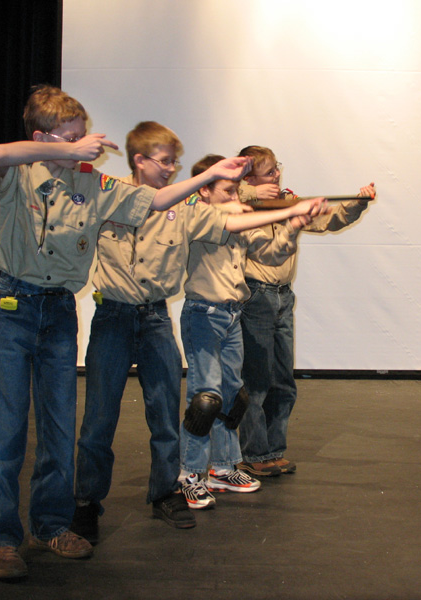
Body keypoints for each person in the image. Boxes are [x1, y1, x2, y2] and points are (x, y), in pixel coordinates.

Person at [0, 86, 251, 580]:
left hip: (59, 311)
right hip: (14, 307)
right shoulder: (20, 171)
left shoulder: (92, 182)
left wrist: (211, 175)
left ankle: (51, 525)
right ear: (42, 136)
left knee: (60, 430)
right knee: (8, 433)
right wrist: (64, 150)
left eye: (82, 136)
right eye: (70, 137)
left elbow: (156, 199)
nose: (83, 144)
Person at [72, 124, 330, 535]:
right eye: (164, 161)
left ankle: (169, 491)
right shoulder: (110, 192)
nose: (171, 169)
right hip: (115, 316)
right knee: (100, 418)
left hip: (156, 318)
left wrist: (292, 215)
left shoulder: (186, 208)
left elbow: (233, 221)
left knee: (167, 416)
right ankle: (87, 503)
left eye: (175, 162)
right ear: (139, 160)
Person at [178, 154, 327, 509]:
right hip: (203, 315)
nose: (236, 198)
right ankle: (190, 474)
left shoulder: (240, 221)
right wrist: (288, 210)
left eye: (237, 192)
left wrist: (294, 225)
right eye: (228, 191)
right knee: (204, 398)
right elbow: (227, 221)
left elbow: (271, 254)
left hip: (232, 314)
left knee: (233, 395)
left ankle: (224, 467)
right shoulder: (197, 215)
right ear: (204, 191)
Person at [235, 145, 375, 477]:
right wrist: (250, 193)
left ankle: (273, 450)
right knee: (256, 381)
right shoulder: (238, 204)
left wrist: (357, 202)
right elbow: (213, 193)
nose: (277, 175)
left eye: (277, 168)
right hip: (256, 297)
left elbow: (329, 220)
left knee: (282, 381)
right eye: (269, 172)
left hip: (283, 297)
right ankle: (254, 453)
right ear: (249, 178)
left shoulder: (287, 201)